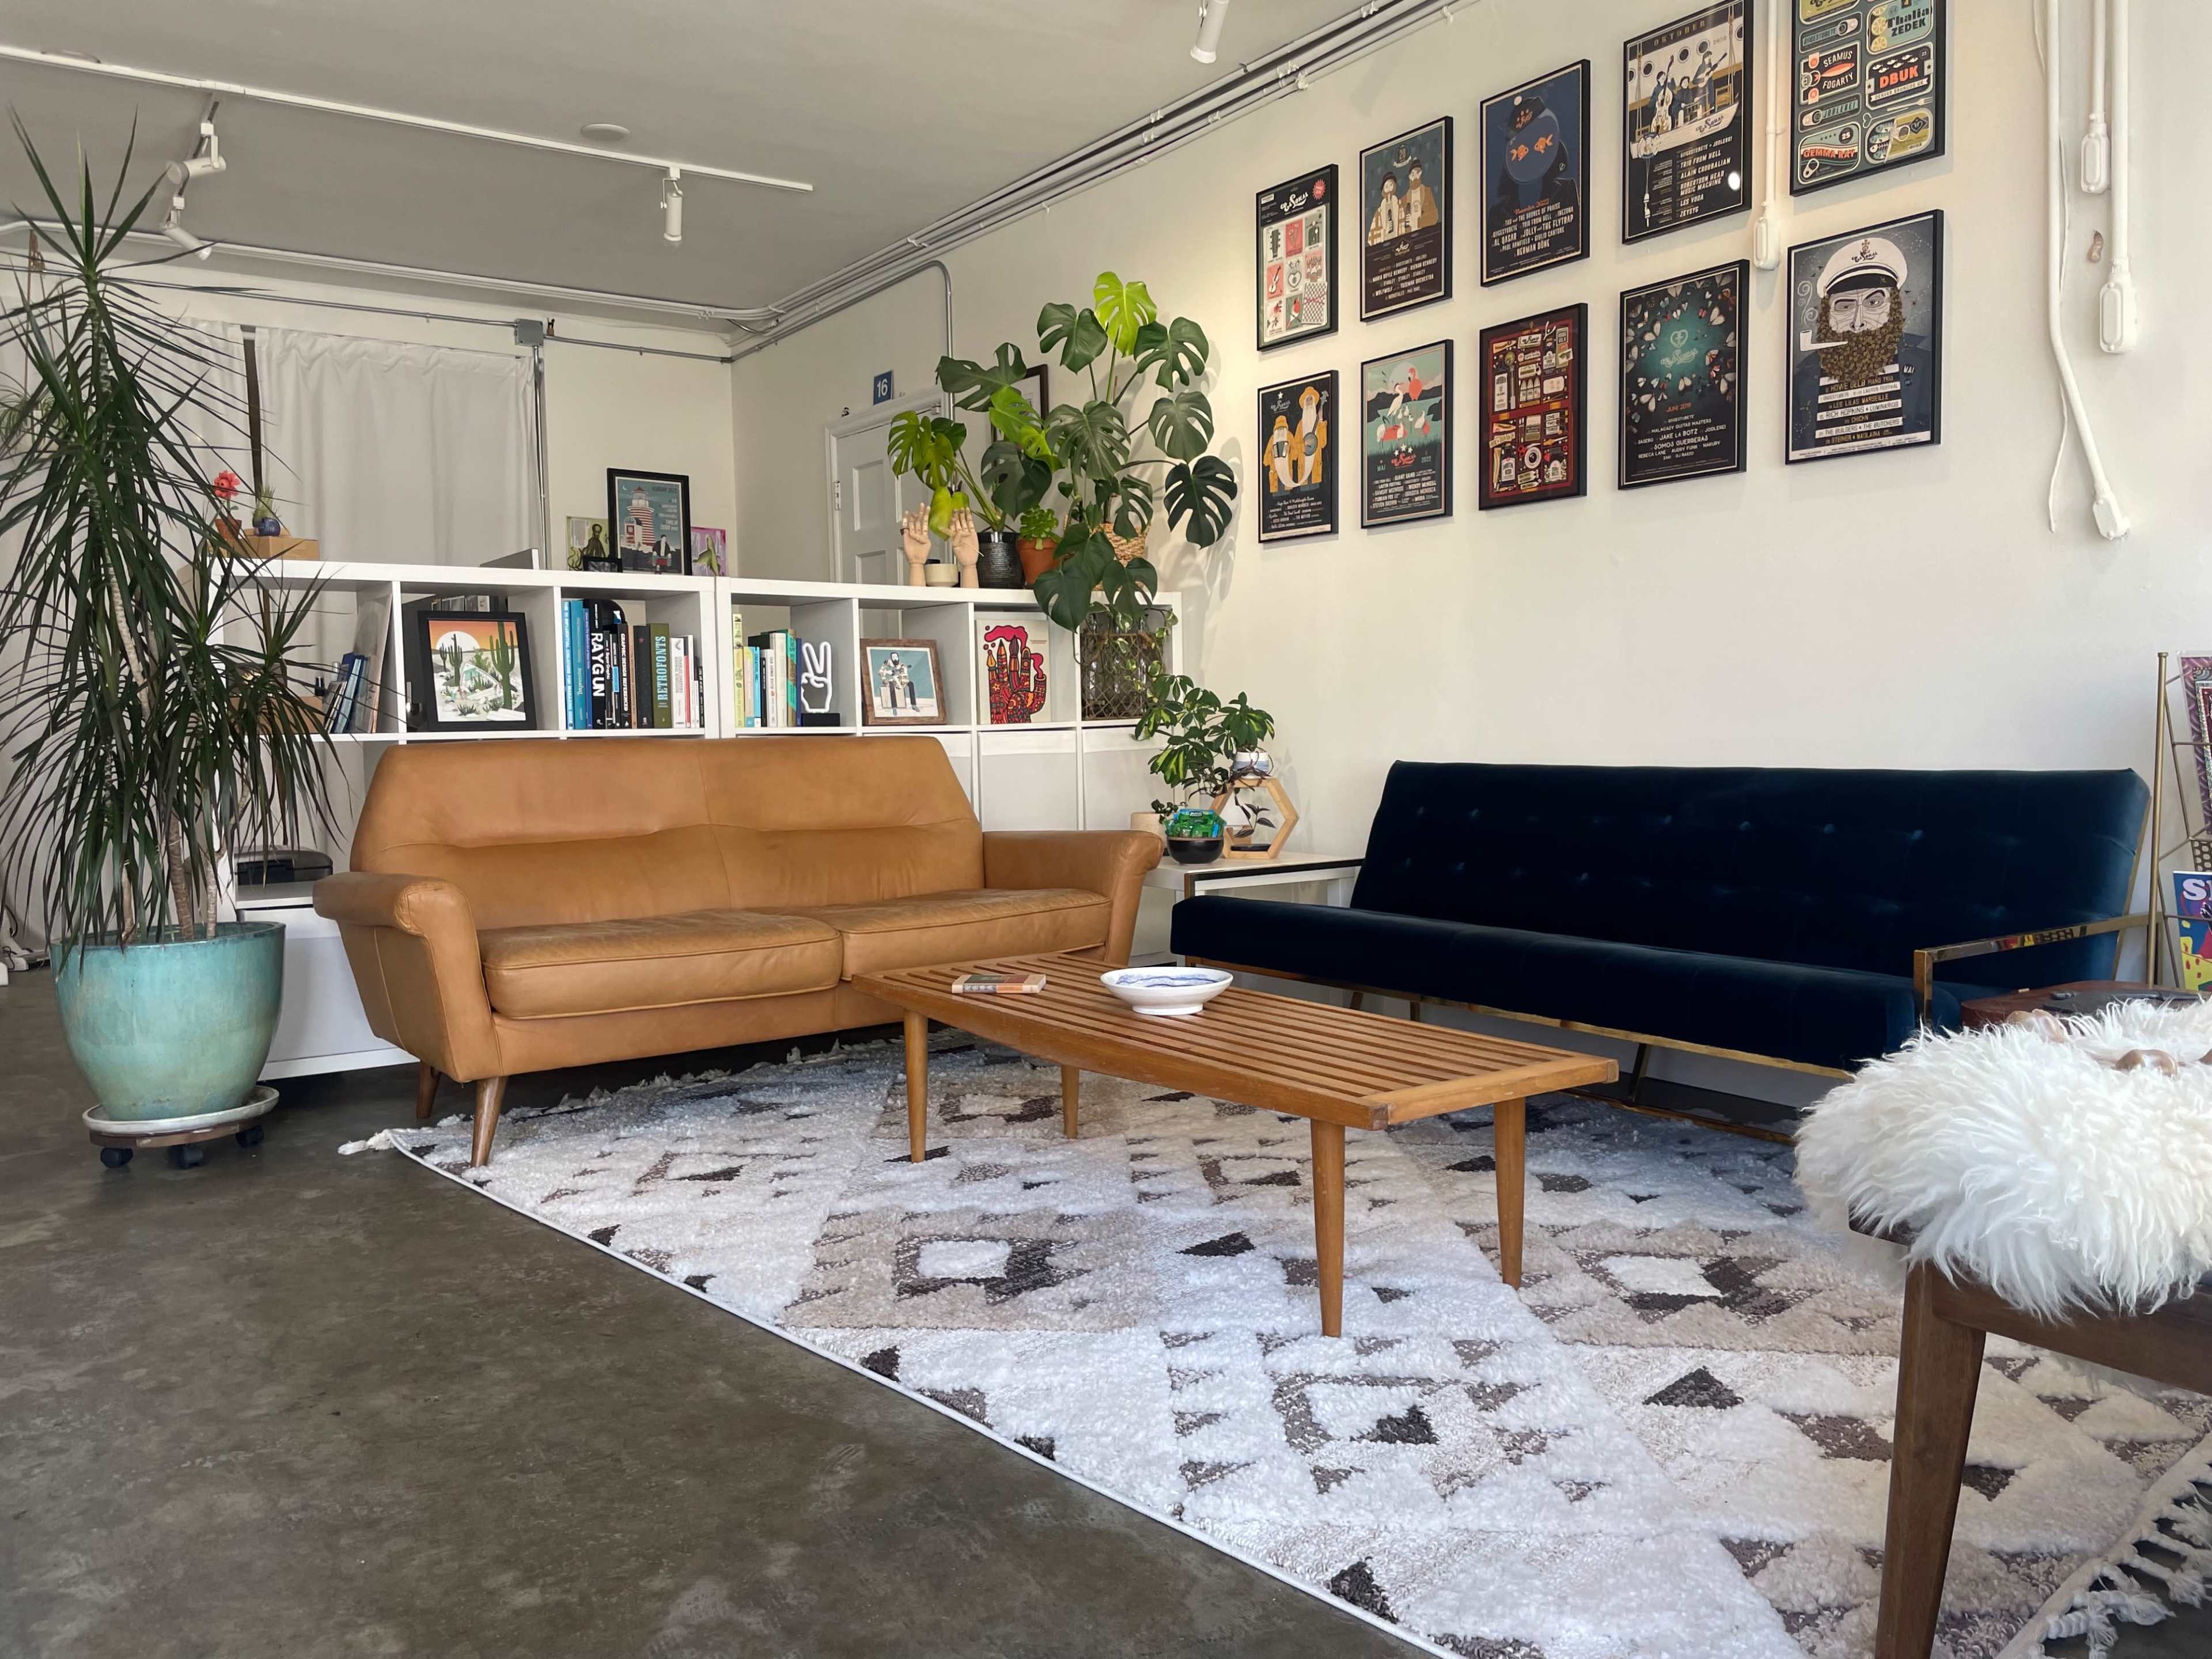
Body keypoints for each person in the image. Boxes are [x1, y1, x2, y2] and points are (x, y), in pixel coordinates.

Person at [1789, 233, 1935, 456]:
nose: (1858, 323)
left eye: (1874, 302)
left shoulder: (1926, 367)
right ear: (1828, 316)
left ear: (1893, 308)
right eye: (1844, 307)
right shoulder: (1802, 381)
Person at [1399, 157, 1439, 232]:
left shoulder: (1427, 192)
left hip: (1426, 235)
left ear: (1421, 174)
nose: (1415, 177)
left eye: (1418, 172)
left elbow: (1435, 216)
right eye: (1412, 174)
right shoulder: (1403, 200)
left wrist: (1416, 223)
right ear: (1409, 177)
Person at [1366, 172, 1402, 244]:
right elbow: (1371, 237)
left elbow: (1403, 222)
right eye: (1386, 186)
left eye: (1391, 185)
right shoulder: (1380, 210)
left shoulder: (1399, 203)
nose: (1389, 187)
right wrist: (1385, 231)